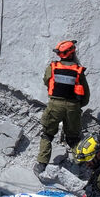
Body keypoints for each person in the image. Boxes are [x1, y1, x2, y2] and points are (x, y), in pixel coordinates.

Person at [36, 40, 91, 173]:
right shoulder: (78, 70)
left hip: (55, 105)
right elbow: (86, 94)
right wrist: (78, 106)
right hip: (73, 106)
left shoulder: (52, 67)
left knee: (47, 134)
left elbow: (47, 81)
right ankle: (81, 165)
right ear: (72, 54)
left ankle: (41, 165)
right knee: (73, 138)